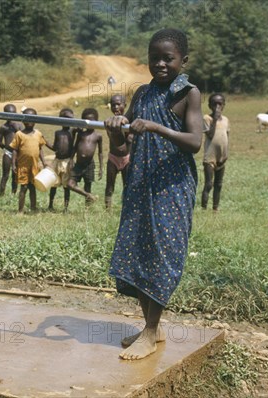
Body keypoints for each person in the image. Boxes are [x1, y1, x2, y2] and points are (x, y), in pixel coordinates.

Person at [104, 28, 204, 360]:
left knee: (162, 252)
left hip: (173, 186)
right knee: (138, 249)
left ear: (183, 61)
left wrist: (157, 127)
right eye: (154, 58)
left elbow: (195, 142)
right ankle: (152, 327)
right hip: (140, 181)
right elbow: (124, 144)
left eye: (168, 58)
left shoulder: (189, 94)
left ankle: (149, 332)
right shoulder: (143, 93)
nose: (160, 64)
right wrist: (115, 130)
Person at [10, 108, 47, 213]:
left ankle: (33, 209)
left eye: (32, 119)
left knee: (32, 188)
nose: (30, 121)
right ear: (23, 120)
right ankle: (20, 211)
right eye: (27, 118)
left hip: (34, 166)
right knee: (23, 188)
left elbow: (40, 149)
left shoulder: (38, 134)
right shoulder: (19, 134)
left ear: (36, 120)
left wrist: (44, 162)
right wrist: (13, 164)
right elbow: (15, 150)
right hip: (23, 166)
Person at [201, 93, 229, 211]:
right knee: (209, 184)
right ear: (209, 105)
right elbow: (210, 135)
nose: (217, 106)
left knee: (219, 184)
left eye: (220, 104)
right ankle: (203, 208)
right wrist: (215, 119)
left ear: (223, 105)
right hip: (210, 157)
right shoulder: (207, 118)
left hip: (221, 157)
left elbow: (227, 136)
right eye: (214, 104)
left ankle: (215, 208)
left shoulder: (226, 120)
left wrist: (226, 154)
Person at [68, 108, 101, 203]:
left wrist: (101, 168)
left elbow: (100, 152)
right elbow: (75, 147)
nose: (90, 123)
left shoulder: (98, 136)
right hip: (78, 164)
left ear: (97, 121)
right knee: (70, 184)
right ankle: (88, 195)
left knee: (88, 186)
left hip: (89, 165)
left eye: (93, 120)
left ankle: (87, 208)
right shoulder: (81, 134)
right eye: (87, 120)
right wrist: (71, 159)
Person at [104, 94, 132, 209]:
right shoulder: (109, 123)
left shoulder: (128, 121)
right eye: (113, 104)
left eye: (118, 104)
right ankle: (108, 210)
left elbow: (130, 140)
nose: (115, 107)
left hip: (126, 159)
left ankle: (126, 208)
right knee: (110, 186)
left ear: (125, 105)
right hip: (113, 158)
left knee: (127, 186)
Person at [48, 108, 76, 212]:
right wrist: (45, 142)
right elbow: (55, 147)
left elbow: (80, 128)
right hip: (57, 160)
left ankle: (65, 208)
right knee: (53, 184)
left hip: (67, 161)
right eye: (65, 119)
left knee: (66, 186)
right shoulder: (57, 133)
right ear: (60, 119)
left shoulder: (73, 131)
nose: (68, 121)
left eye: (70, 119)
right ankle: (50, 205)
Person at [0, 104, 23, 196]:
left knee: (15, 175)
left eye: (13, 114)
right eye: (9, 114)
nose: (11, 117)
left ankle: (13, 194)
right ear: (5, 115)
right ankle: (1, 194)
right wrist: (6, 149)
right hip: (8, 153)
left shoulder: (19, 126)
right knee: (5, 175)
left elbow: (23, 138)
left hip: (18, 154)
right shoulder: (3, 127)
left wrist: (16, 130)